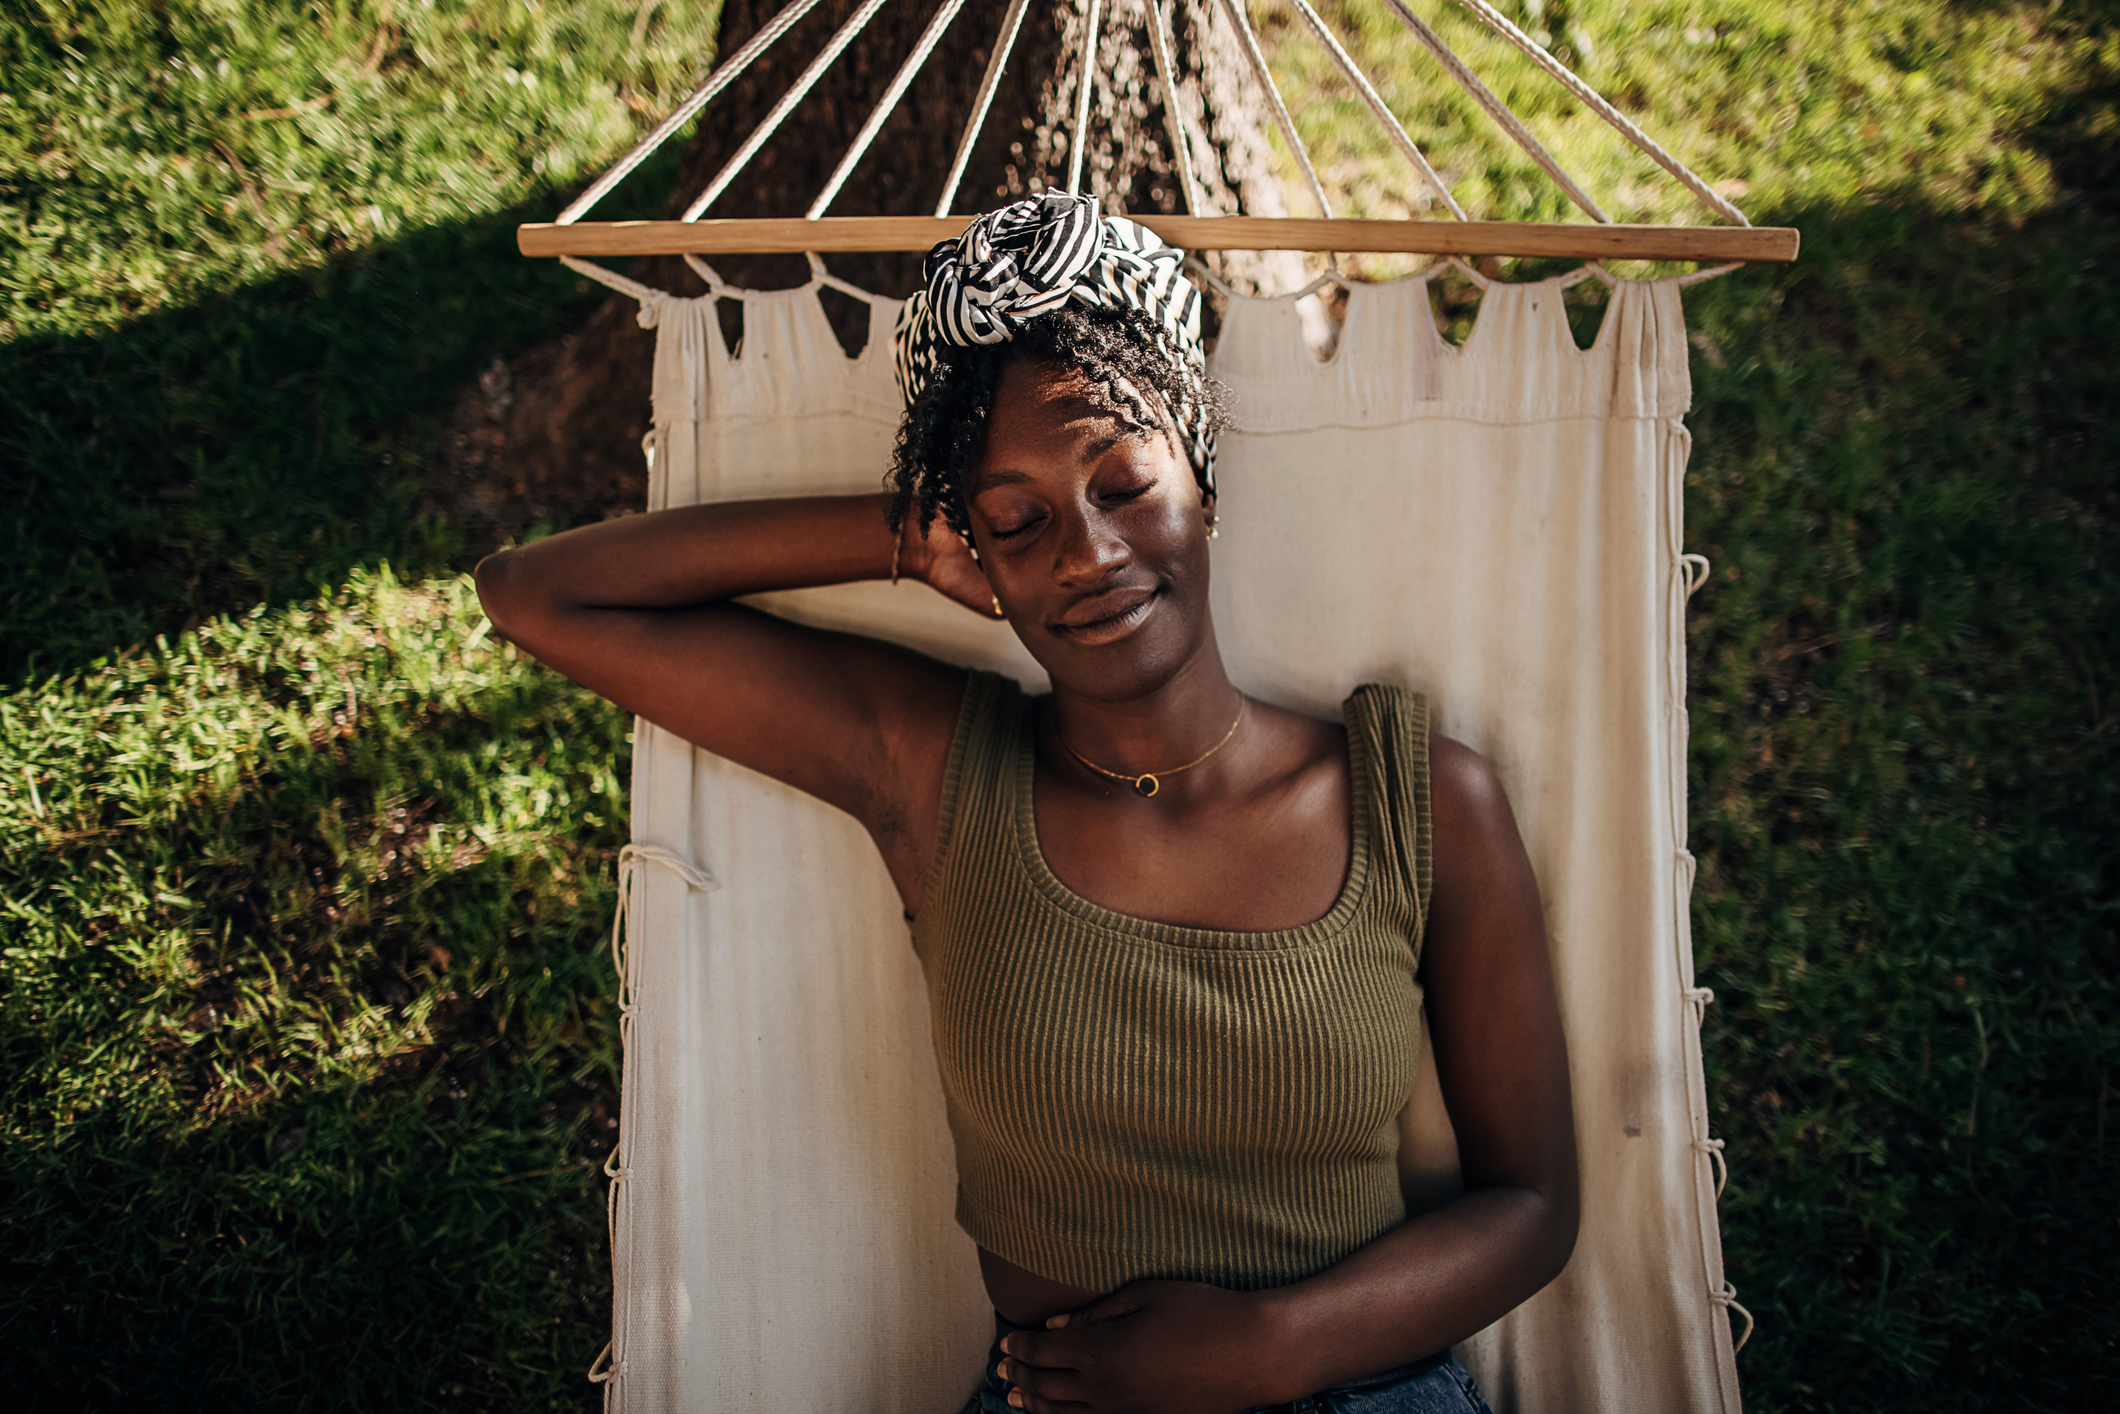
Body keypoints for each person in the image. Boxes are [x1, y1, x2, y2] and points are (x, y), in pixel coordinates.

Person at [476, 193, 1576, 1414]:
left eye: (1122, 480)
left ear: (1200, 475)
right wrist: (901, 535)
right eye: (1017, 519)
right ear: (979, 553)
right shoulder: (936, 771)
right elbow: (537, 596)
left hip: (1371, 1393)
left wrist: (1274, 1344)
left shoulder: (1412, 794)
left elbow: (1531, 1204)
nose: (1088, 552)